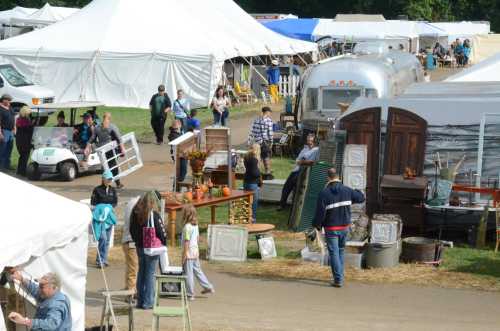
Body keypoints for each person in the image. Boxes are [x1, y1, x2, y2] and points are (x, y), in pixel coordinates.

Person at [313, 168, 365, 287]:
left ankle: (338, 279)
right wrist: (356, 190)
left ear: (328, 178)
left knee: (334, 253)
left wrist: (317, 225)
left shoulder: (324, 193)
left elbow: (320, 214)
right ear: (338, 176)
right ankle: (340, 275)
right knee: (341, 251)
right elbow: (361, 198)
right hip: (345, 228)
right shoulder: (347, 190)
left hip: (331, 229)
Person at [130, 191, 167, 309]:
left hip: (139, 246)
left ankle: (140, 300)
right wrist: (163, 242)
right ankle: (148, 301)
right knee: (150, 274)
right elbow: (161, 231)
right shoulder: (153, 215)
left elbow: (131, 229)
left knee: (141, 273)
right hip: (151, 248)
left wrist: (137, 241)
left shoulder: (135, 213)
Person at [277, 134, 319, 211]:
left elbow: (314, 162)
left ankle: (294, 207)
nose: (308, 141)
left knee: (297, 188)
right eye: (308, 139)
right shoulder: (305, 149)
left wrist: (303, 162)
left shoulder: (316, 150)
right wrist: (300, 161)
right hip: (296, 169)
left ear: (314, 141)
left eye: (310, 140)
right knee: (287, 186)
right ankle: (282, 205)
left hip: (306, 171)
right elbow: (298, 159)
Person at [182, 204, 214, 300]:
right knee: (198, 271)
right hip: (195, 252)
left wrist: (184, 256)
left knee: (189, 273)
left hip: (189, 253)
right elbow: (197, 238)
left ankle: (190, 293)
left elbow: (187, 242)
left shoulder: (187, 227)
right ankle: (208, 286)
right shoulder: (195, 225)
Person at [86, 112, 125, 189]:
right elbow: (119, 138)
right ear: (109, 119)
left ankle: (105, 184)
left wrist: (87, 146)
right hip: (111, 150)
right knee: (113, 166)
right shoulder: (112, 126)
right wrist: (122, 148)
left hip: (102, 151)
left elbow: (92, 139)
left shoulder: (97, 127)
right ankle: (116, 183)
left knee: (105, 166)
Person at [91, 170, 118, 268]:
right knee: (103, 238)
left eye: (111, 179)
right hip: (100, 218)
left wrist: (109, 207)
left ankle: (103, 259)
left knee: (107, 240)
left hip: (109, 217)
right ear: (103, 179)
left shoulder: (113, 190)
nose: (110, 181)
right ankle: (100, 260)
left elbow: (115, 202)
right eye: (108, 179)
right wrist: (101, 209)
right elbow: (93, 203)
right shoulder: (97, 190)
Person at [122, 195, 140, 293]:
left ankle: (128, 288)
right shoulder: (137, 205)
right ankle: (131, 292)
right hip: (131, 241)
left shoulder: (131, 202)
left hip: (126, 240)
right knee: (133, 268)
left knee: (130, 267)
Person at [248, 107, 274, 176]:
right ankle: (267, 171)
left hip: (257, 142)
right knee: (266, 156)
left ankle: (257, 171)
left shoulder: (256, 120)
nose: (270, 113)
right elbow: (270, 133)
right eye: (269, 112)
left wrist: (249, 141)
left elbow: (252, 132)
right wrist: (271, 141)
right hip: (265, 141)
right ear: (267, 112)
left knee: (258, 157)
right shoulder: (269, 121)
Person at [243, 144, 261, 223]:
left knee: (246, 202)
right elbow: (255, 173)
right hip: (253, 184)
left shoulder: (246, 157)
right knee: (253, 203)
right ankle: (253, 220)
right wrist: (260, 174)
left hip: (246, 181)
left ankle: (246, 218)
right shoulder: (254, 159)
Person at [15, 106, 34, 176]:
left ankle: (19, 171)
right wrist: (32, 124)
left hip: (19, 140)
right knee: (25, 156)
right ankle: (23, 172)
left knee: (22, 156)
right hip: (25, 141)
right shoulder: (26, 120)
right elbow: (28, 130)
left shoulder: (18, 119)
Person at [0, 94, 16, 171]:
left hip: (11, 131)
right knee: (3, 149)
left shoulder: (10, 108)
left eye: (10, 100)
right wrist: (0, 133)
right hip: (4, 131)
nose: (9, 102)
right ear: (3, 100)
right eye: (8, 100)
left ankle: (7, 165)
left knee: (9, 148)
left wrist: (14, 128)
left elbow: (13, 118)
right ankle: (1, 166)